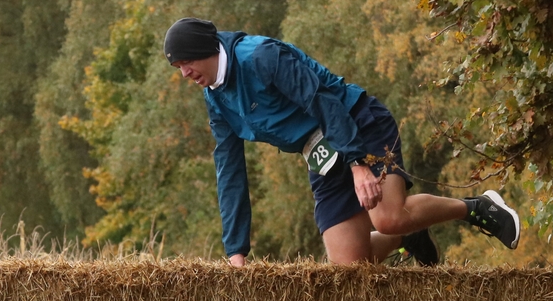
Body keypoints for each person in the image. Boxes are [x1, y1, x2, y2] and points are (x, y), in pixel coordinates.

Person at [163, 17, 522, 266]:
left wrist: (357, 164)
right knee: (350, 269)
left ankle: (477, 208)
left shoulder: (260, 56)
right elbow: (229, 172)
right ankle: (408, 235)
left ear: (205, 48)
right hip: (320, 154)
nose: (184, 74)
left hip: (355, 124)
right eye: (178, 68)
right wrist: (236, 252)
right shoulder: (216, 99)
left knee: (388, 218)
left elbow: (322, 101)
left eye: (186, 62)